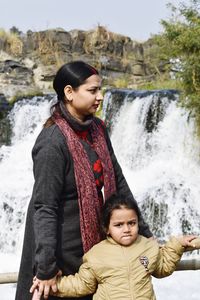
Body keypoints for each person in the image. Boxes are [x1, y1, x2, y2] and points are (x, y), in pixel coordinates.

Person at [15, 61, 153, 300]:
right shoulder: (52, 143)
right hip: (60, 253)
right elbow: (44, 207)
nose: (100, 97)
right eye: (92, 91)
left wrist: (146, 235)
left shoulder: (97, 129)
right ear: (69, 92)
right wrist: (46, 267)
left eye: (100, 90)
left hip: (95, 247)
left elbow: (118, 183)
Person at [30, 193, 200, 300]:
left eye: (131, 223)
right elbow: (82, 284)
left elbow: (162, 268)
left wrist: (177, 245)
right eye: (119, 225)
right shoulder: (97, 254)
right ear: (107, 228)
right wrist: (52, 286)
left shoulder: (148, 246)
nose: (126, 229)